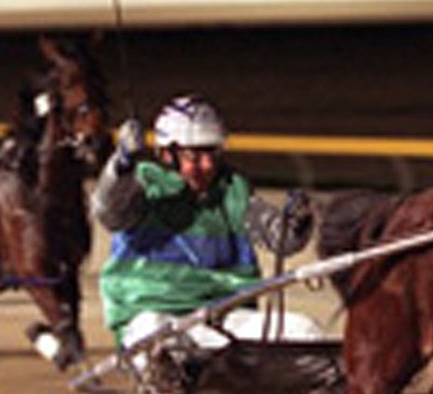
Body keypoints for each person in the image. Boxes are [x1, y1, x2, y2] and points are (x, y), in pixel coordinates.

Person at [91, 94, 325, 350]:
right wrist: (122, 163)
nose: (208, 165)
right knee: (155, 333)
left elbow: (282, 241)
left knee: (305, 331)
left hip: (225, 317)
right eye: (195, 156)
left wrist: (299, 221)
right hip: (156, 314)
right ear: (167, 154)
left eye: (213, 153)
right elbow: (108, 213)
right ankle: (169, 384)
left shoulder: (233, 189)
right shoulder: (140, 184)